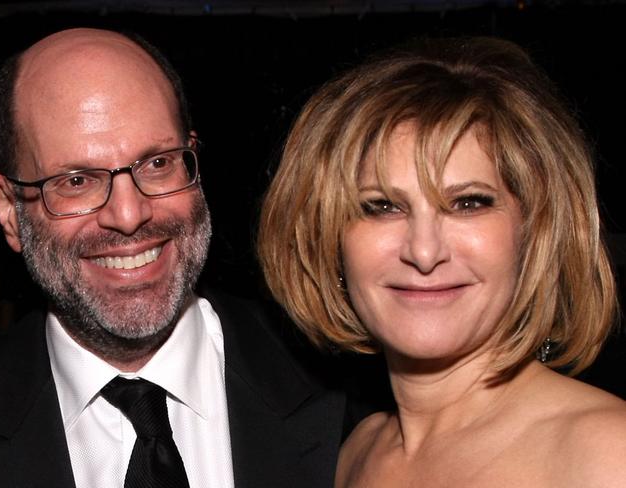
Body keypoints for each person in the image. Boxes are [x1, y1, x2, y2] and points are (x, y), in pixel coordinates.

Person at [0, 28, 353, 488]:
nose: (129, 214)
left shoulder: (349, 396)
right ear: (8, 211)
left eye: (157, 163)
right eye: (76, 180)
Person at [258, 37, 626, 487]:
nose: (425, 251)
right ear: (328, 240)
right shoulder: (354, 454)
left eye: (469, 203)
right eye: (381, 207)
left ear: (534, 232)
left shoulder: (608, 451)